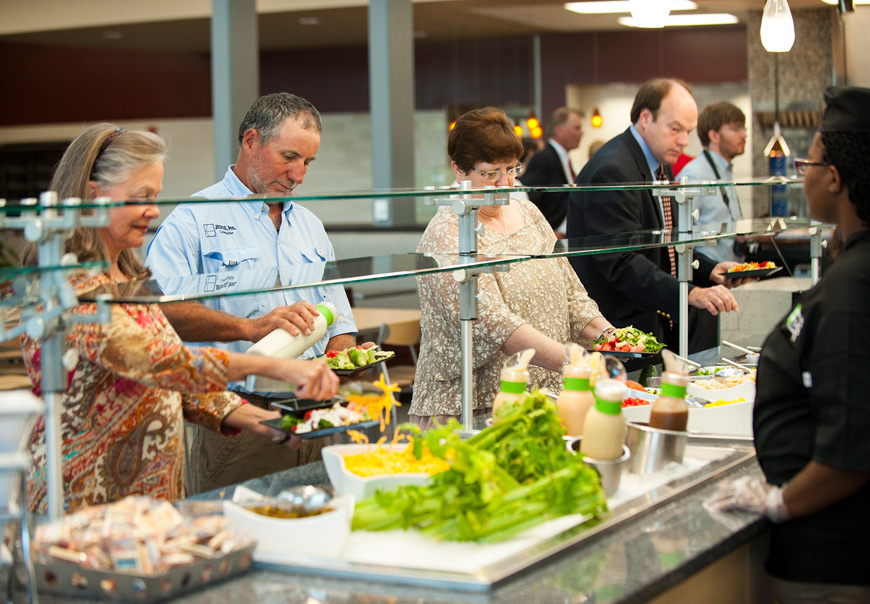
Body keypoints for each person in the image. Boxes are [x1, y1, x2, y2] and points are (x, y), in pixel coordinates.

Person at [19, 124, 339, 515]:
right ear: (93, 194)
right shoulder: (68, 281)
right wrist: (277, 366)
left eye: (155, 197)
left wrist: (264, 421)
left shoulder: (128, 277)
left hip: (151, 493)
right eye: (141, 198)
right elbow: (159, 360)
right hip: (88, 496)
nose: (153, 211)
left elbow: (173, 382)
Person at [145, 93, 360, 494]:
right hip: (240, 419)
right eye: (289, 157)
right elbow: (161, 314)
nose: (299, 175)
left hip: (315, 416)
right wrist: (248, 327)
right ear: (250, 141)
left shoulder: (310, 225)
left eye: (308, 162)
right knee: (238, 534)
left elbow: (339, 318)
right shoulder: (191, 220)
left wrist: (342, 362)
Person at [705, 86, 870, 604]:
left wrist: (780, 501)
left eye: (810, 162)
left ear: (836, 179)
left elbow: (852, 448)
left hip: (833, 557)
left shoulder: (852, 290)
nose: (804, 173)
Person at [408, 108, 615, 428]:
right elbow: (496, 326)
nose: (505, 183)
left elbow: (573, 296)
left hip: (548, 395)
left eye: (512, 169)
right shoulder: (447, 231)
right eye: (491, 173)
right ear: (459, 170)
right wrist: (575, 361)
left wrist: (612, 337)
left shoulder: (529, 212)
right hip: (476, 407)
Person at [567, 78, 744, 353]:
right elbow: (621, 262)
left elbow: (664, 247)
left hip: (652, 321)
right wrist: (689, 293)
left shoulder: (659, 162)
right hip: (618, 333)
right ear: (646, 118)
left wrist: (710, 271)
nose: (684, 141)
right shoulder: (613, 169)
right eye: (676, 129)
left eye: (688, 131)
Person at [679, 102, 748, 263]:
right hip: (708, 276)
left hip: (730, 272)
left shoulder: (724, 170)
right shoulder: (695, 174)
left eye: (744, 128)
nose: (744, 134)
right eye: (736, 128)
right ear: (714, 136)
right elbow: (681, 234)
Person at [522, 107, 585, 237]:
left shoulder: (563, 158)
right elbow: (527, 198)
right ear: (559, 130)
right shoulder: (544, 159)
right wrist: (545, 234)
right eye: (577, 128)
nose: (582, 133)